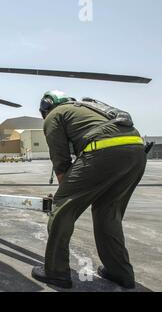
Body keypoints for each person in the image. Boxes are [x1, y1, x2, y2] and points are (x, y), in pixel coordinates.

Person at [31, 90, 147, 289]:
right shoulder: (87, 108)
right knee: (107, 213)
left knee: (62, 210)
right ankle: (121, 273)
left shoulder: (54, 115)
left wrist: (65, 193)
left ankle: (56, 272)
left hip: (104, 151)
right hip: (137, 152)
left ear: (46, 106)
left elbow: (61, 160)